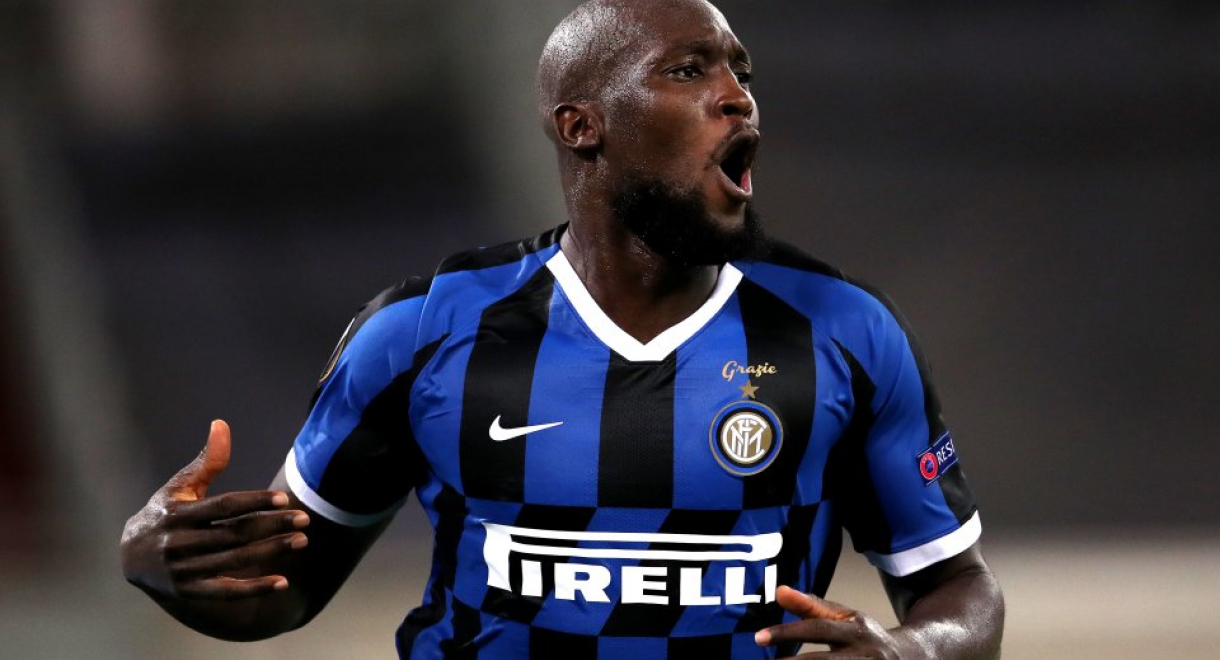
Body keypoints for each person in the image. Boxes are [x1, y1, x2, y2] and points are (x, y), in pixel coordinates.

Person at [121, 0, 1004, 657]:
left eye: (742, 73)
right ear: (582, 125)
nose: (739, 99)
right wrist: (156, 562)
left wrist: (914, 652)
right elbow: (279, 590)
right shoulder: (421, 333)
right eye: (690, 71)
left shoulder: (843, 332)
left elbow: (958, 588)